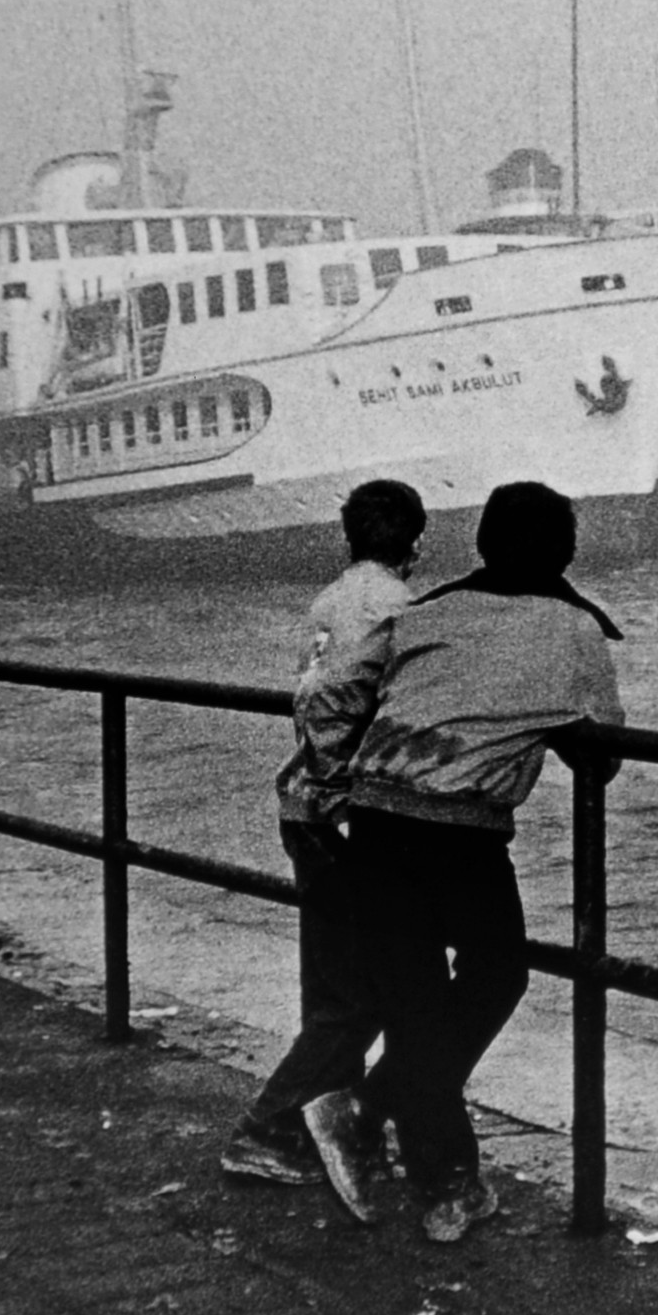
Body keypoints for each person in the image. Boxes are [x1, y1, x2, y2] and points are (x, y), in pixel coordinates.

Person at [302, 480, 623, 1243]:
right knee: (496, 973)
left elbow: (329, 694)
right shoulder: (574, 628)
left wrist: (332, 782)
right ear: (566, 551)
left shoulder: (424, 613)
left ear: (480, 544)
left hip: (373, 819)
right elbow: (599, 760)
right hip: (457, 831)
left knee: (416, 1005)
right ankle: (376, 1117)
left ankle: (448, 1184)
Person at [219, 478, 425, 1215]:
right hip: (341, 817)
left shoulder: (333, 598)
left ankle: (321, 1121)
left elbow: (313, 696)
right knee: (362, 997)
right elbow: (356, 705)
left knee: (334, 991)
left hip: (300, 805)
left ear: (348, 535)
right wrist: (352, 791)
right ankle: (267, 1128)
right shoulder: (398, 608)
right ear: (417, 541)